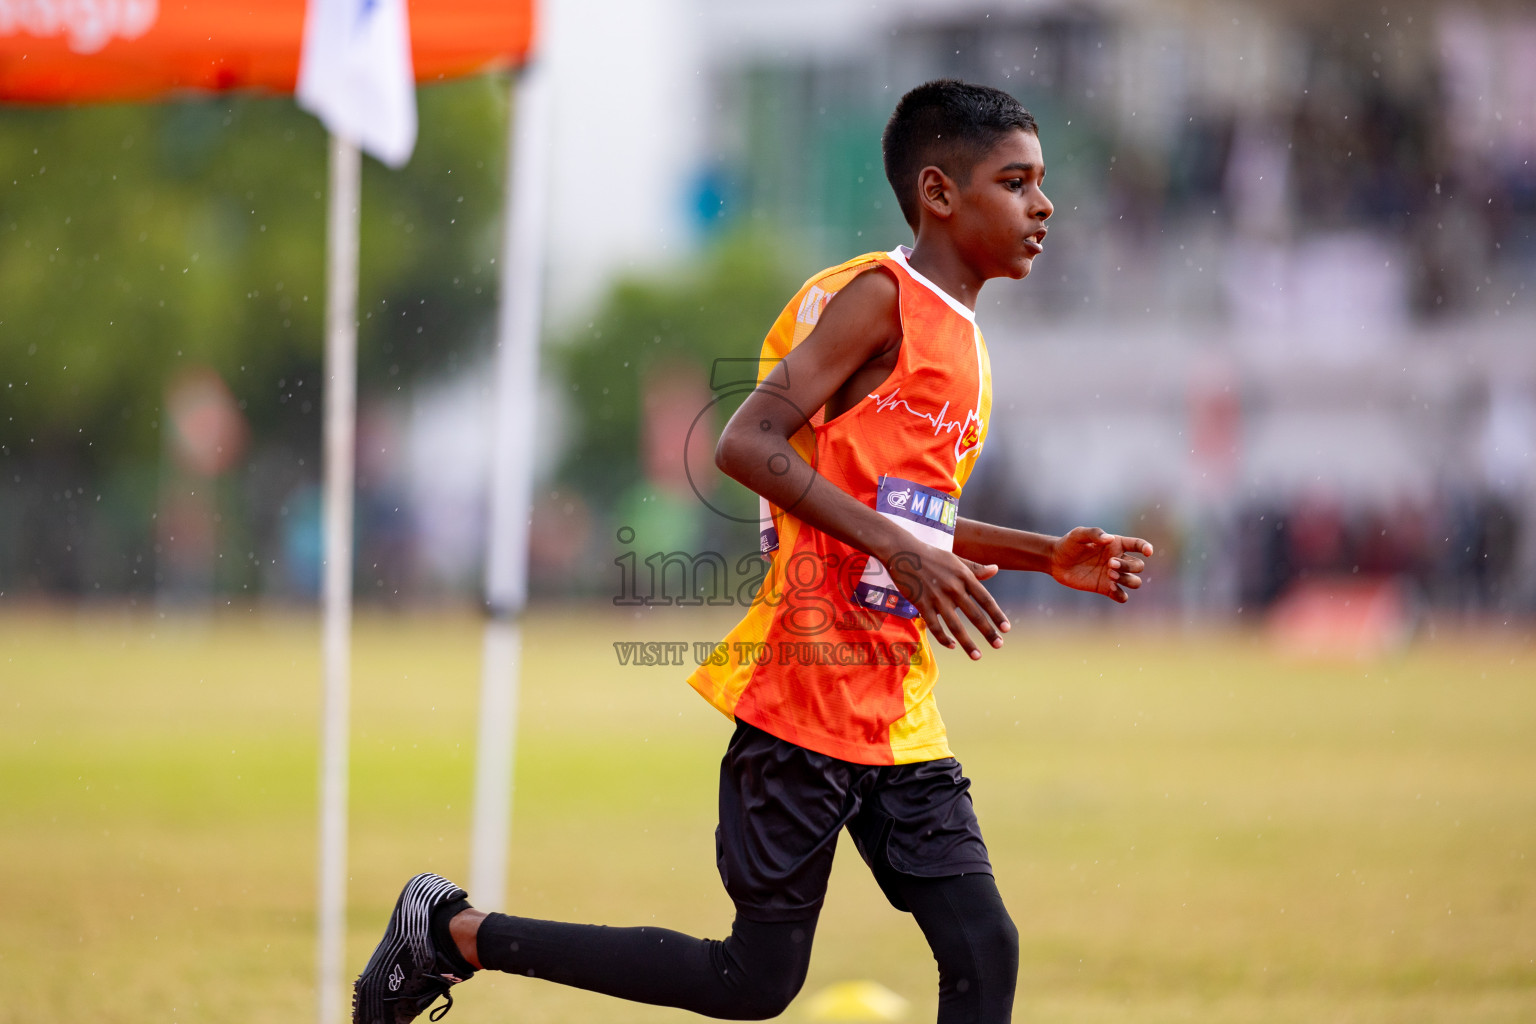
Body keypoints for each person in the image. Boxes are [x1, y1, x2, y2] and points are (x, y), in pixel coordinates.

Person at [353, 78, 1153, 1024]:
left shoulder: (965, 341)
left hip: (895, 704)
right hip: (807, 690)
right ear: (940, 193)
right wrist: (901, 551)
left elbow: (900, 516)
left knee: (985, 948)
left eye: (1040, 182)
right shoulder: (880, 300)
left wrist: (1043, 553)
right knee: (756, 982)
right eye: (1017, 182)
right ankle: (451, 933)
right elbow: (746, 443)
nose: (1043, 204)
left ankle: (449, 932)